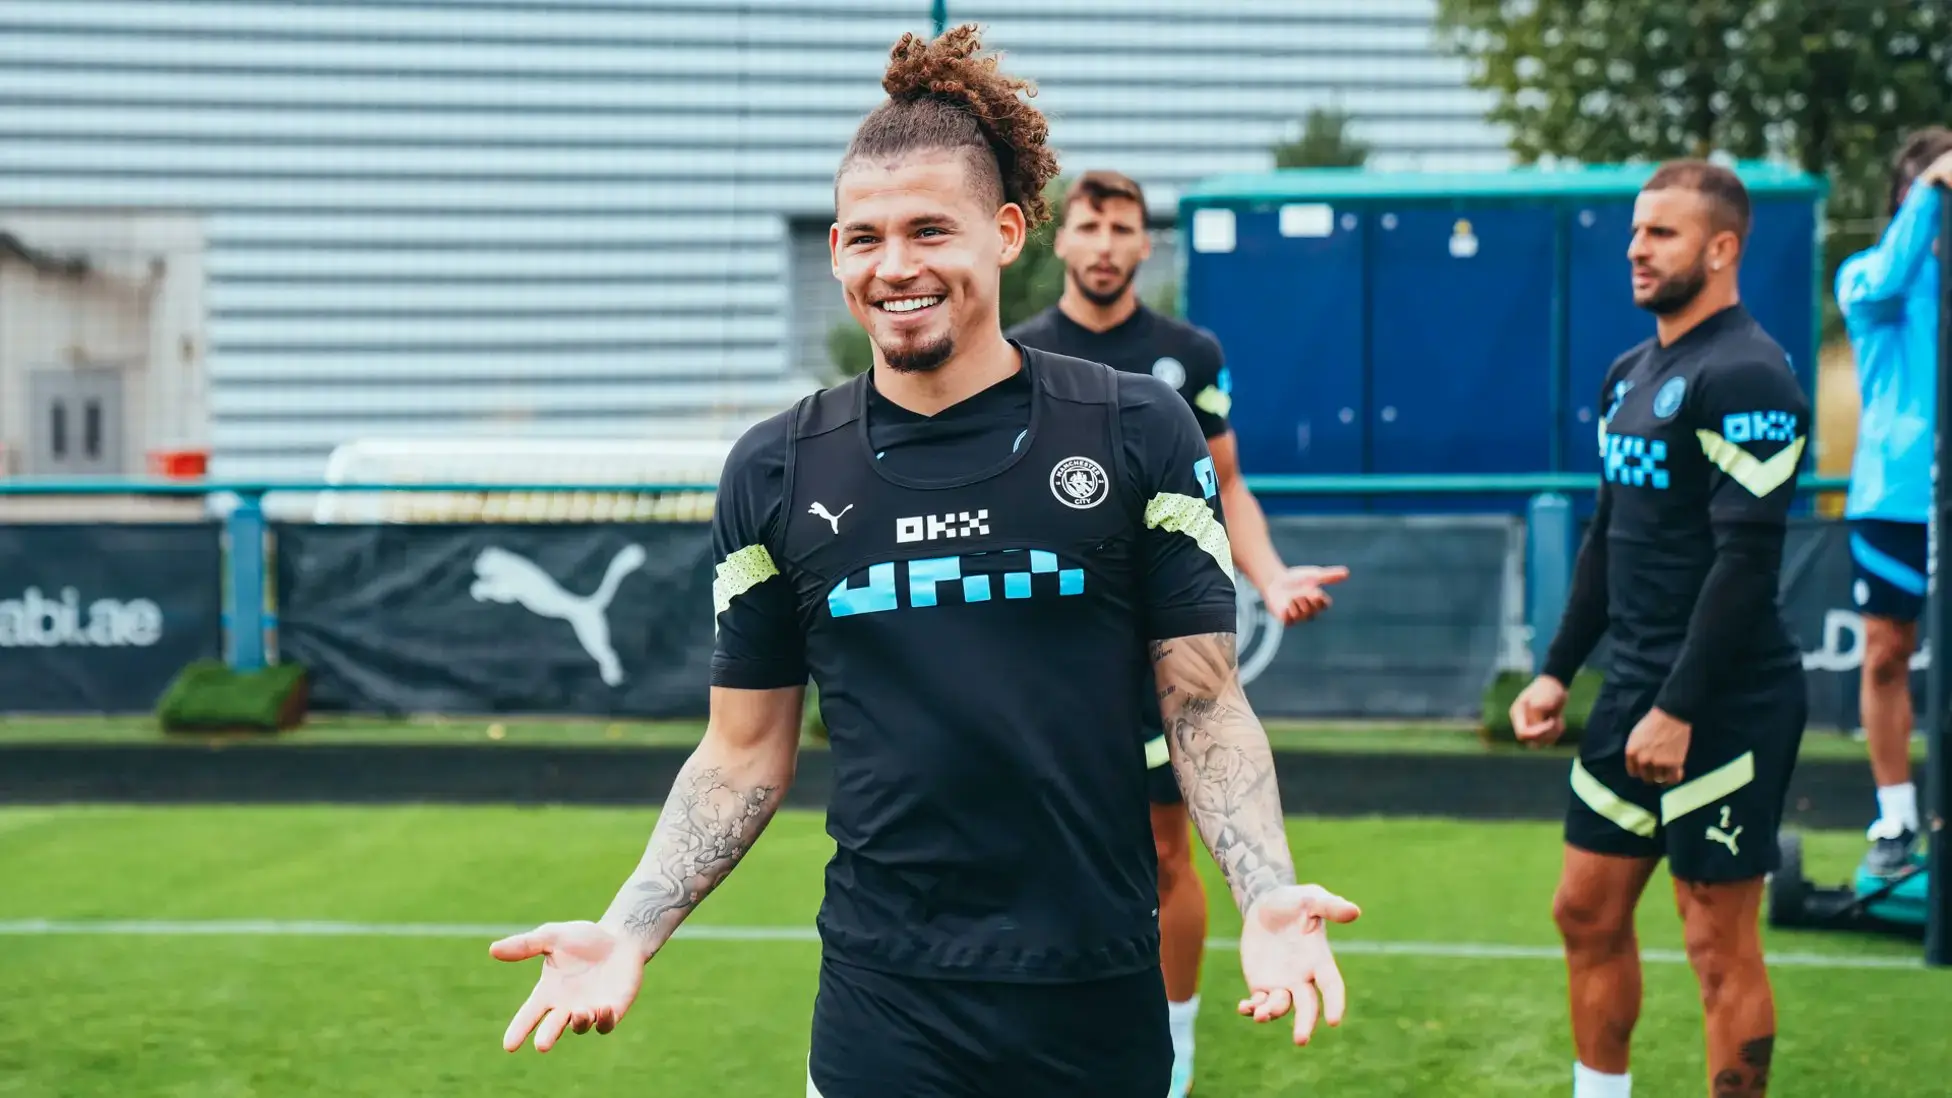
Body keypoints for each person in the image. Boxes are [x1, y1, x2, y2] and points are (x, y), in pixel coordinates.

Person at [490, 25, 1359, 1098]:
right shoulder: (772, 468)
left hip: (1092, 990)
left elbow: (1200, 703)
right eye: (862, 238)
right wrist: (630, 927)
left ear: (1004, 233)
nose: (893, 267)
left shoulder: (1135, 429)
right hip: (881, 1003)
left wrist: (1262, 887)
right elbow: (741, 751)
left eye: (926, 230)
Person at [1008, 169, 1349, 1097]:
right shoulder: (1015, 348)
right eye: (1090, 225)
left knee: (1166, 853)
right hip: (1057, 653)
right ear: (1061, 240)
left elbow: (1226, 486)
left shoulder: (1187, 354)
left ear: (1143, 245)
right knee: (1035, 851)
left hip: (1155, 645)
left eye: (1124, 227)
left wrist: (1270, 575)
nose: (1107, 242)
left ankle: (1177, 1045)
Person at [1510, 160, 1811, 1098]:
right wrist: (1558, 669)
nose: (1637, 249)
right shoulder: (1628, 374)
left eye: (1663, 234)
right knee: (1584, 913)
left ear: (1722, 250)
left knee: (1715, 944)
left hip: (1722, 704)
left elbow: (1746, 562)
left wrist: (1679, 706)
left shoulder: (1751, 373)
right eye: (1637, 231)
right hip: (1632, 693)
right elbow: (1610, 536)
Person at [1836, 131, 1952, 878]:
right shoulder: (1866, 279)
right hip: (1894, 497)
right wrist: (1933, 194)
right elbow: (1882, 284)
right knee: (1886, 655)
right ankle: (1896, 818)